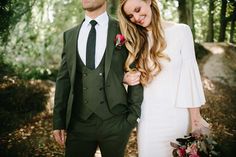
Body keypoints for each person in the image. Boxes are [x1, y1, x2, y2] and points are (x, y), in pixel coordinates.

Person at [117, 0, 209, 156]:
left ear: (149, 1)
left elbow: (190, 78)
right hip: (149, 121)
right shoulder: (135, 40)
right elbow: (113, 72)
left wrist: (195, 121)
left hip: (179, 118)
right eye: (130, 16)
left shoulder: (181, 31)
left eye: (138, 9)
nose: (136, 17)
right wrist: (124, 78)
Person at [52, 0, 143, 157]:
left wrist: (131, 118)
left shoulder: (125, 30)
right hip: (78, 124)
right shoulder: (70, 35)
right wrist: (58, 121)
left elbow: (135, 71)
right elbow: (63, 80)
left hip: (115, 123)